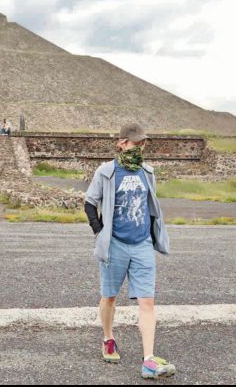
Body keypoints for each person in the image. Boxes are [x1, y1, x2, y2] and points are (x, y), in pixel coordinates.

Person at [84, 123, 175, 380]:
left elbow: (150, 204)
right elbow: (90, 204)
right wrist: (100, 232)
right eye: (136, 143)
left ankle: (148, 360)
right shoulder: (106, 172)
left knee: (147, 301)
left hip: (142, 244)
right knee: (109, 297)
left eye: (143, 143)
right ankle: (108, 338)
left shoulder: (148, 172)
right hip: (115, 244)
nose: (140, 147)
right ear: (122, 143)